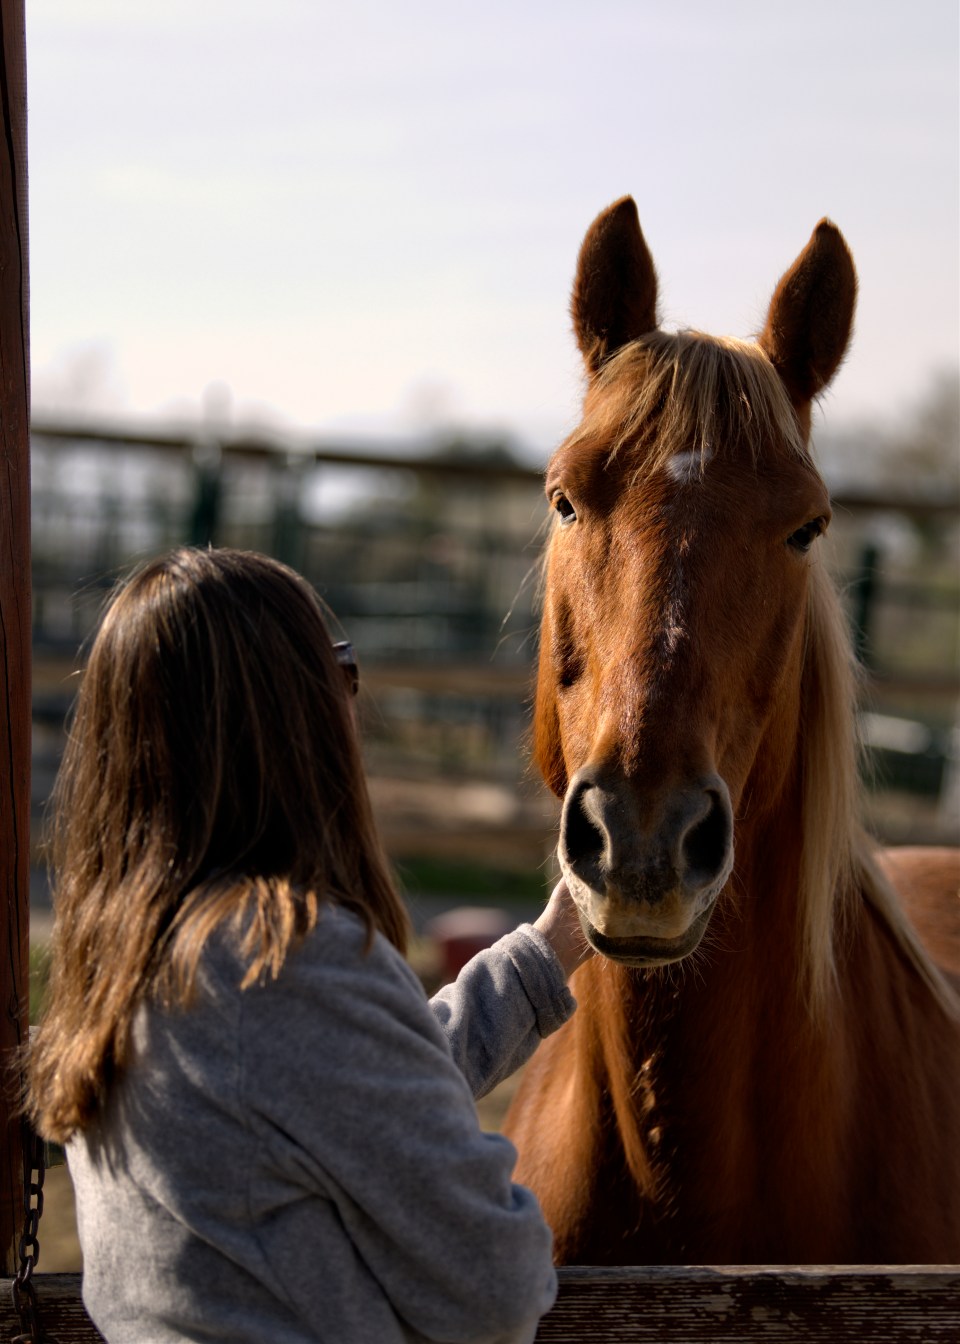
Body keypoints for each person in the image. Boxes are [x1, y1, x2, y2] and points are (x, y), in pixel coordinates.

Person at [27, 546, 592, 1344]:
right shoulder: (280, 959)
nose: (350, 698)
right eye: (339, 669)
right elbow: (499, 1283)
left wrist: (548, 949)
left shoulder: (135, 952)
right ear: (287, 712)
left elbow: (341, 1093)